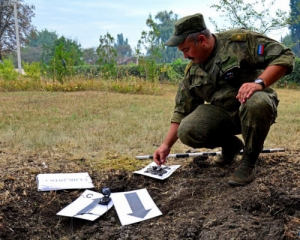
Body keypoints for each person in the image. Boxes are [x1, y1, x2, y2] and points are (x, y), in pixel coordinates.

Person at [153, 13, 295, 186]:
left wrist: (258, 83)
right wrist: (166, 146)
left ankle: (249, 162)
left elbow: (284, 55)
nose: (185, 56)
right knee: (187, 130)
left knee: (256, 102)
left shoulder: (238, 43)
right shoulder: (193, 72)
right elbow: (182, 110)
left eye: (186, 50)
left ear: (202, 40)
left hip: (255, 107)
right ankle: (231, 145)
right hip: (225, 115)